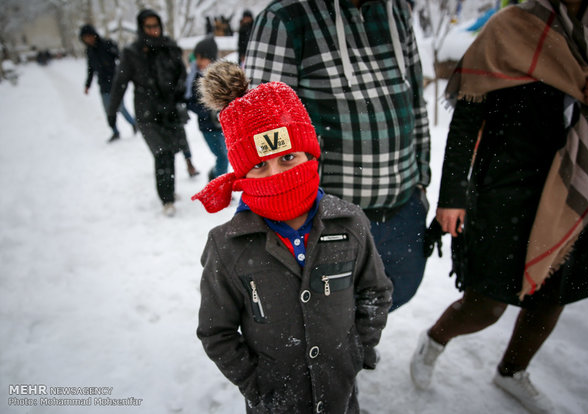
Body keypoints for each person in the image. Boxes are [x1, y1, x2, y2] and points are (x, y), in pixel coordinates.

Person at [410, 1, 588, 413]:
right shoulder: (511, 27)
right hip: (503, 189)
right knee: (486, 304)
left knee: (551, 296)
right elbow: (467, 116)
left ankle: (511, 370)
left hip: (570, 190)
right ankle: (434, 340)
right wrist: (452, 195)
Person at [193, 61, 393, 414]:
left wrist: (357, 352)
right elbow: (216, 331)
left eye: (287, 157)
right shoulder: (227, 246)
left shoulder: (350, 224)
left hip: (341, 397)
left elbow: (374, 292)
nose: (277, 174)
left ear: (309, 154)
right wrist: (257, 385)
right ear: (242, 173)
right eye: (259, 165)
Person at [244, 0, 431, 311]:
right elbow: (260, 137)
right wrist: (285, 222)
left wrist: (421, 183)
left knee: (391, 298)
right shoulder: (284, 19)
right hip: (330, 220)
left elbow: (415, 103)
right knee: (326, 318)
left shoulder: (396, 10)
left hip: (403, 210)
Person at [107, 9, 198, 216]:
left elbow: (182, 74)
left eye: (156, 26)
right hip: (147, 113)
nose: (153, 31)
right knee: (161, 153)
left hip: (170, 110)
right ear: (141, 28)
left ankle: (169, 190)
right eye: (148, 27)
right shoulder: (132, 53)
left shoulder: (170, 47)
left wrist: (179, 92)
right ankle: (166, 199)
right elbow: (120, 84)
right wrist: (112, 112)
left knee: (172, 151)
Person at [79, 24, 137, 143]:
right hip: (103, 84)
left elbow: (121, 59)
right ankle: (115, 131)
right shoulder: (90, 51)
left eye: (89, 36)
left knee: (121, 107)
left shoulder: (106, 45)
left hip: (115, 82)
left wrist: (126, 74)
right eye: (85, 38)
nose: (88, 39)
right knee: (108, 110)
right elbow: (90, 69)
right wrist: (87, 85)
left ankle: (134, 124)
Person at [185, 36, 229, 180]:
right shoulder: (197, 79)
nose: (198, 62)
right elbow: (190, 102)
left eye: (201, 58)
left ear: (210, 58)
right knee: (222, 157)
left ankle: (216, 179)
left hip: (222, 126)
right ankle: (218, 184)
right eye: (196, 58)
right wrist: (206, 111)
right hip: (207, 127)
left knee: (225, 157)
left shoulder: (221, 77)